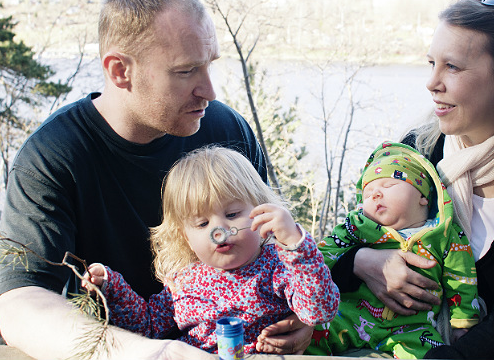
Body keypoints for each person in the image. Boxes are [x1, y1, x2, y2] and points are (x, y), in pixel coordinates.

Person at [0, 0, 313, 359]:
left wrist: (303, 315)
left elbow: (276, 243)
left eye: (208, 65)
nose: (209, 90)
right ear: (120, 71)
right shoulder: (53, 156)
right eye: (186, 71)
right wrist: (154, 354)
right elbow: (22, 302)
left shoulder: (226, 130)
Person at [333, 0, 494, 359]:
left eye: (452, 67)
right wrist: (361, 262)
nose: (432, 82)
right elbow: (342, 242)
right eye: (431, 63)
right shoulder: (414, 154)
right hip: (385, 340)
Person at [82, 146, 340, 355]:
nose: (219, 230)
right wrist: (112, 286)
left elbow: (319, 309)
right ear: (186, 236)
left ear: (260, 212)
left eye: (232, 214)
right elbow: (148, 326)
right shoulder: (185, 281)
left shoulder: (279, 265)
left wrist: (294, 244)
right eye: (202, 223)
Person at [306, 141, 479, 358]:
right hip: (350, 315)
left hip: (412, 328)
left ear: (423, 196)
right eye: (367, 193)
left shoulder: (444, 236)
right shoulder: (356, 226)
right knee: (309, 334)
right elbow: (318, 258)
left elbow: (462, 278)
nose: (375, 194)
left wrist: (462, 322)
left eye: (388, 186)